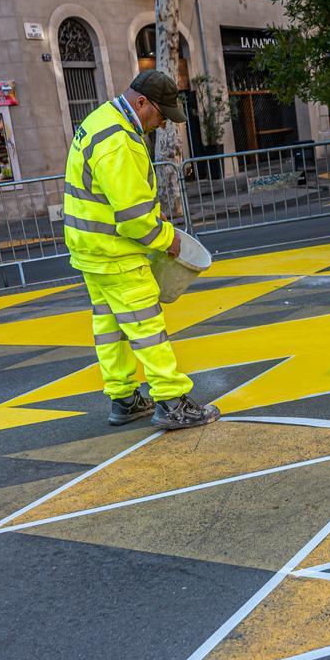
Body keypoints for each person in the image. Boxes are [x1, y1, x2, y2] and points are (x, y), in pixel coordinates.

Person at [64, 69, 220, 430]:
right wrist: (170, 240)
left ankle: (123, 397)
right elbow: (133, 220)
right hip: (116, 251)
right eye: (161, 114)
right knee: (146, 326)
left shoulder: (100, 118)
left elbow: (110, 194)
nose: (163, 123)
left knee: (110, 326)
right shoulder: (119, 140)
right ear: (142, 102)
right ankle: (171, 401)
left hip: (90, 247)